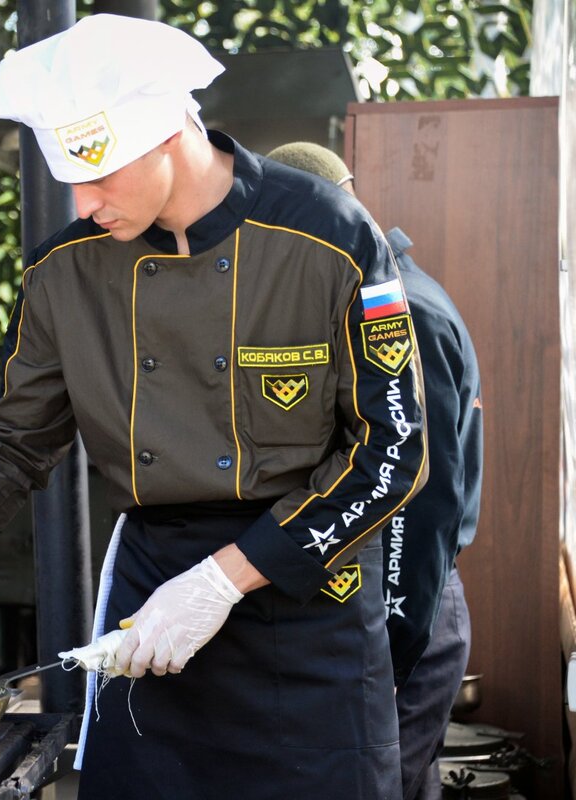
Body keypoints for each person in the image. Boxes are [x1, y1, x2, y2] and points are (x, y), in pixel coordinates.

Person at [0, 15, 428, 799]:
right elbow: (8, 446)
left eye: (102, 175)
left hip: (305, 605)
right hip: (151, 610)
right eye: (72, 176)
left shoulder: (331, 237)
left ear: (172, 134)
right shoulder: (64, 274)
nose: (85, 200)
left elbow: (392, 451)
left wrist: (220, 583)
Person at [267, 141, 483, 800]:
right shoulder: (373, 296)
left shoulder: (405, 315)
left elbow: (416, 508)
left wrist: (388, 645)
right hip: (383, 603)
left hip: (403, 604)